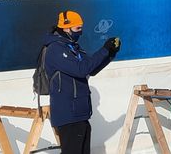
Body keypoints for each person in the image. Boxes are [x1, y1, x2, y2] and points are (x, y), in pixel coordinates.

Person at [43, 11, 120, 154]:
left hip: (81, 113)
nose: (81, 32)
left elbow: (91, 69)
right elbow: (81, 70)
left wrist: (110, 54)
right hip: (68, 114)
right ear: (66, 28)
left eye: (81, 28)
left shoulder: (73, 47)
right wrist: (103, 50)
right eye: (77, 28)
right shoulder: (56, 49)